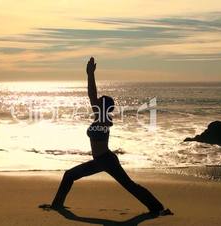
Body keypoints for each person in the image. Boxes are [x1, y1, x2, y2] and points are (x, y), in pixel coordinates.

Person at [48, 57, 171, 216]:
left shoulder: (103, 118)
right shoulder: (101, 118)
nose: (95, 103)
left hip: (106, 160)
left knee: (130, 185)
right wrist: (90, 74)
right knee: (69, 175)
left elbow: (92, 95)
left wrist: (90, 74)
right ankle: (56, 205)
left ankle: (158, 208)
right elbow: (93, 97)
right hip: (100, 161)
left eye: (98, 102)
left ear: (102, 106)